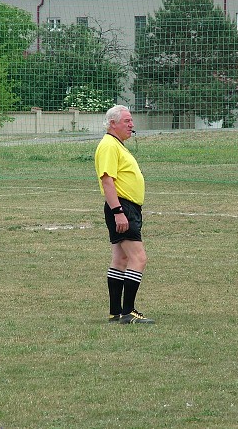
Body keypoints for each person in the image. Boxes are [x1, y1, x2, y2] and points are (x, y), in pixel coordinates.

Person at [94, 105, 154, 324]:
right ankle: (129, 312)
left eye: (131, 121)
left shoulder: (116, 145)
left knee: (121, 259)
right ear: (113, 123)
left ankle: (115, 312)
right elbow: (107, 180)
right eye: (127, 121)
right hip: (122, 207)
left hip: (126, 207)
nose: (132, 125)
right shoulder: (109, 145)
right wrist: (119, 211)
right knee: (138, 258)